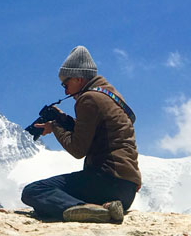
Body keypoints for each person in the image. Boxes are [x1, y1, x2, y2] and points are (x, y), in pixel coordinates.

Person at [21, 46, 141, 223]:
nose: (66, 92)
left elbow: (78, 149)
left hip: (106, 181)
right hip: (126, 190)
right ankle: (106, 209)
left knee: (34, 191)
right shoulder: (111, 96)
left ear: (78, 78)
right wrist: (64, 120)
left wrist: (54, 127)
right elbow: (97, 133)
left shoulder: (89, 98)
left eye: (66, 84)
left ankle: (86, 210)